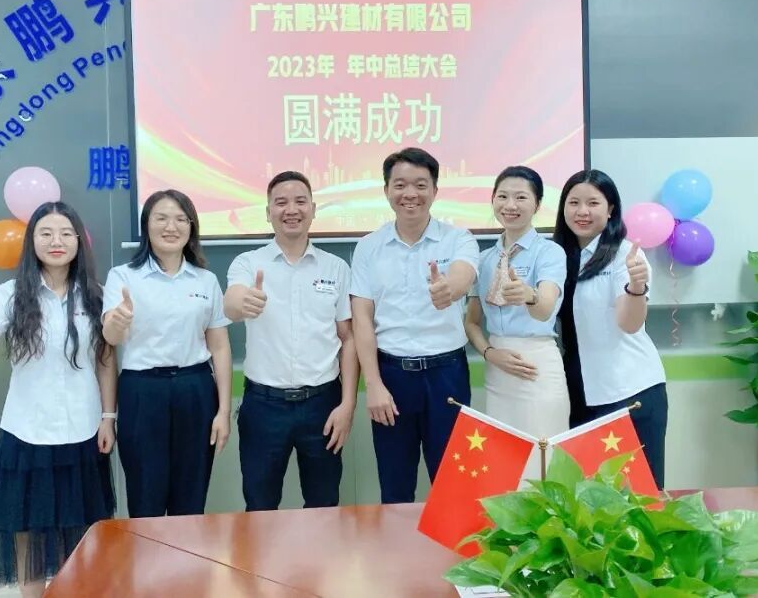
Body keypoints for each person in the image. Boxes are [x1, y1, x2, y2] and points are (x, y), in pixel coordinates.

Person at [0, 201, 116, 598]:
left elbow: (105, 360)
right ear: (32, 241)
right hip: (27, 431)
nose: (56, 241)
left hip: (82, 430)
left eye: (65, 233)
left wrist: (108, 416)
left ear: (78, 241)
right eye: (46, 233)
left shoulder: (96, 295)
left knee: (80, 531)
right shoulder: (10, 294)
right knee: (28, 531)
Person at [350, 147, 479, 504]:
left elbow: (463, 275)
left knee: (453, 484)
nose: (410, 194)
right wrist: (373, 384)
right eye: (400, 185)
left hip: (447, 375)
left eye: (421, 185)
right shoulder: (368, 247)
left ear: (435, 190)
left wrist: (449, 289)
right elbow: (362, 319)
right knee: (395, 486)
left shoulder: (458, 238)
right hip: (392, 377)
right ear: (386, 190)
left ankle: (453, 543)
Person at [224, 171, 358, 511]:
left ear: (313, 209)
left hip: (323, 405)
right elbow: (232, 303)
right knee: (260, 507)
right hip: (264, 406)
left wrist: (347, 405)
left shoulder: (336, 268)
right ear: (268, 212)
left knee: (324, 505)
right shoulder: (248, 263)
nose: (291, 210)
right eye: (281, 203)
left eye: (300, 202)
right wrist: (243, 302)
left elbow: (348, 338)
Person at [102, 189, 232, 517]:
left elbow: (219, 346)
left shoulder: (206, 280)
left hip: (195, 389)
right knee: (146, 493)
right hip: (142, 391)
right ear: (147, 225)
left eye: (180, 219)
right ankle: (147, 552)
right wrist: (117, 321)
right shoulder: (123, 276)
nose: (171, 227)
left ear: (191, 227)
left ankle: (186, 552)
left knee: (191, 494)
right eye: (161, 218)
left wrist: (223, 411)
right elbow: (110, 338)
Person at [553, 169, 668, 487]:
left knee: (639, 495)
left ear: (611, 209)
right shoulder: (558, 256)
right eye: (573, 202)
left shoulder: (624, 256)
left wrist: (636, 287)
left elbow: (630, 323)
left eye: (593, 203)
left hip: (629, 391)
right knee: (588, 498)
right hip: (578, 392)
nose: (582, 211)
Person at [464, 166, 568, 479]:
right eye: (503, 196)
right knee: (504, 461)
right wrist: (489, 353)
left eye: (521, 197)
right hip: (498, 367)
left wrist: (530, 295)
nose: (510, 205)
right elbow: (472, 322)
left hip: (537, 364)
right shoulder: (483, 259)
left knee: (545, 458)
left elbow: (545, 309)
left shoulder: (550, 252)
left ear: (537, 204)